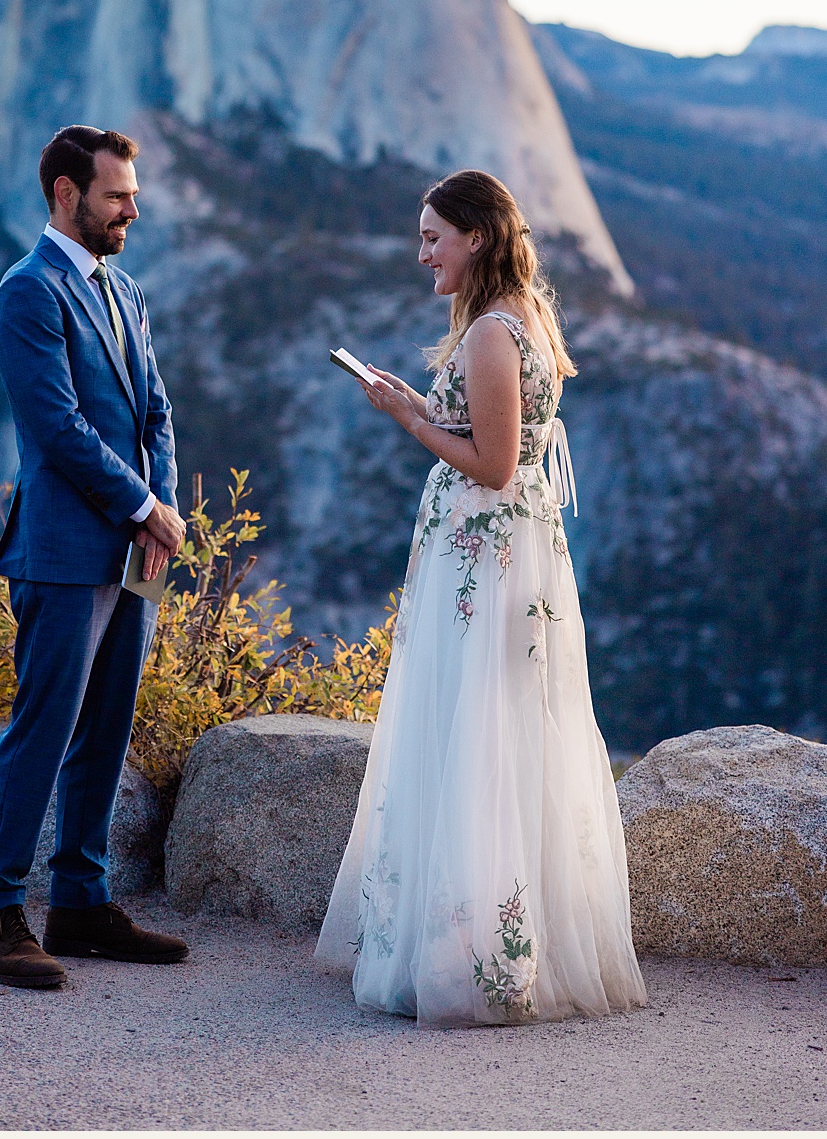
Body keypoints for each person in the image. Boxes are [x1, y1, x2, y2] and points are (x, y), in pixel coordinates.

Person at [315, 170, 646, 1025]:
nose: (422, 251)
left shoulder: (492, 334)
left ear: (477, 236)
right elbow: (495, 437)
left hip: (483, 557)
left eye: (434, 235)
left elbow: (491, 467)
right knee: (496, 724)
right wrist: (419, 400)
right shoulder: (523, 317)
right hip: (506, 552)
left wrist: (408, 420)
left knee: (471, 726)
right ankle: (483, 939)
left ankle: (466, 955)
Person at [0, 125, 191, 988]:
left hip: (133, 552)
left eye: (132, 193)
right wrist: (141, 505)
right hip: (61, 550)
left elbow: (155, 412)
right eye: (116, 195)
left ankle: (81, 904)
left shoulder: (125, 288)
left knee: (106, 728)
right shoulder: (26, 292)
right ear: (66, 193)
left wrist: (158, 512)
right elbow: (57, 426)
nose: (132, 207)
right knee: (44, 727)